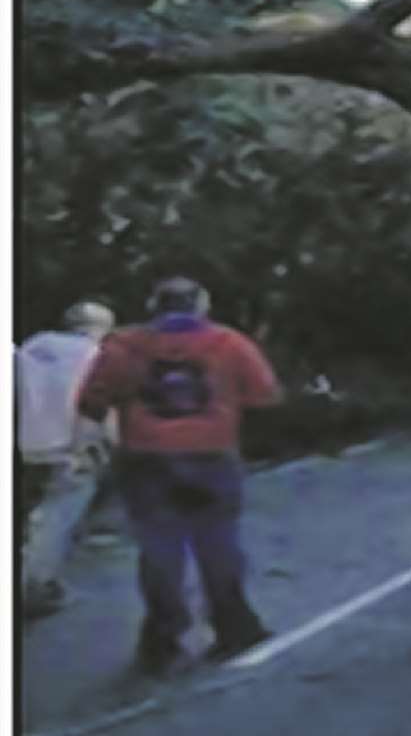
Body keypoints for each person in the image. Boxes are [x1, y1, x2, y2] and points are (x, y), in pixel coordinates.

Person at [77, 276, 282, 675]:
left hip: (146, 459)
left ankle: (162, 640)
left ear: (154, 305)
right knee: (219, 545)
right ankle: (233, 627)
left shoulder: (124, 345)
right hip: (212, 456)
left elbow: (91, 400)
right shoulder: (229, 343)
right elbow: (265, 395)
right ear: (201, 306)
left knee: (159, 551)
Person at [16, 300, 118, 619]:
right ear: (101, 329)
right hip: (68, 448)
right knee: (57, 518)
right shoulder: (96, 356)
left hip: (23, 445)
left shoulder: (33, 345)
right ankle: (35, 587)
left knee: (32, 515)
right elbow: (98, 407)